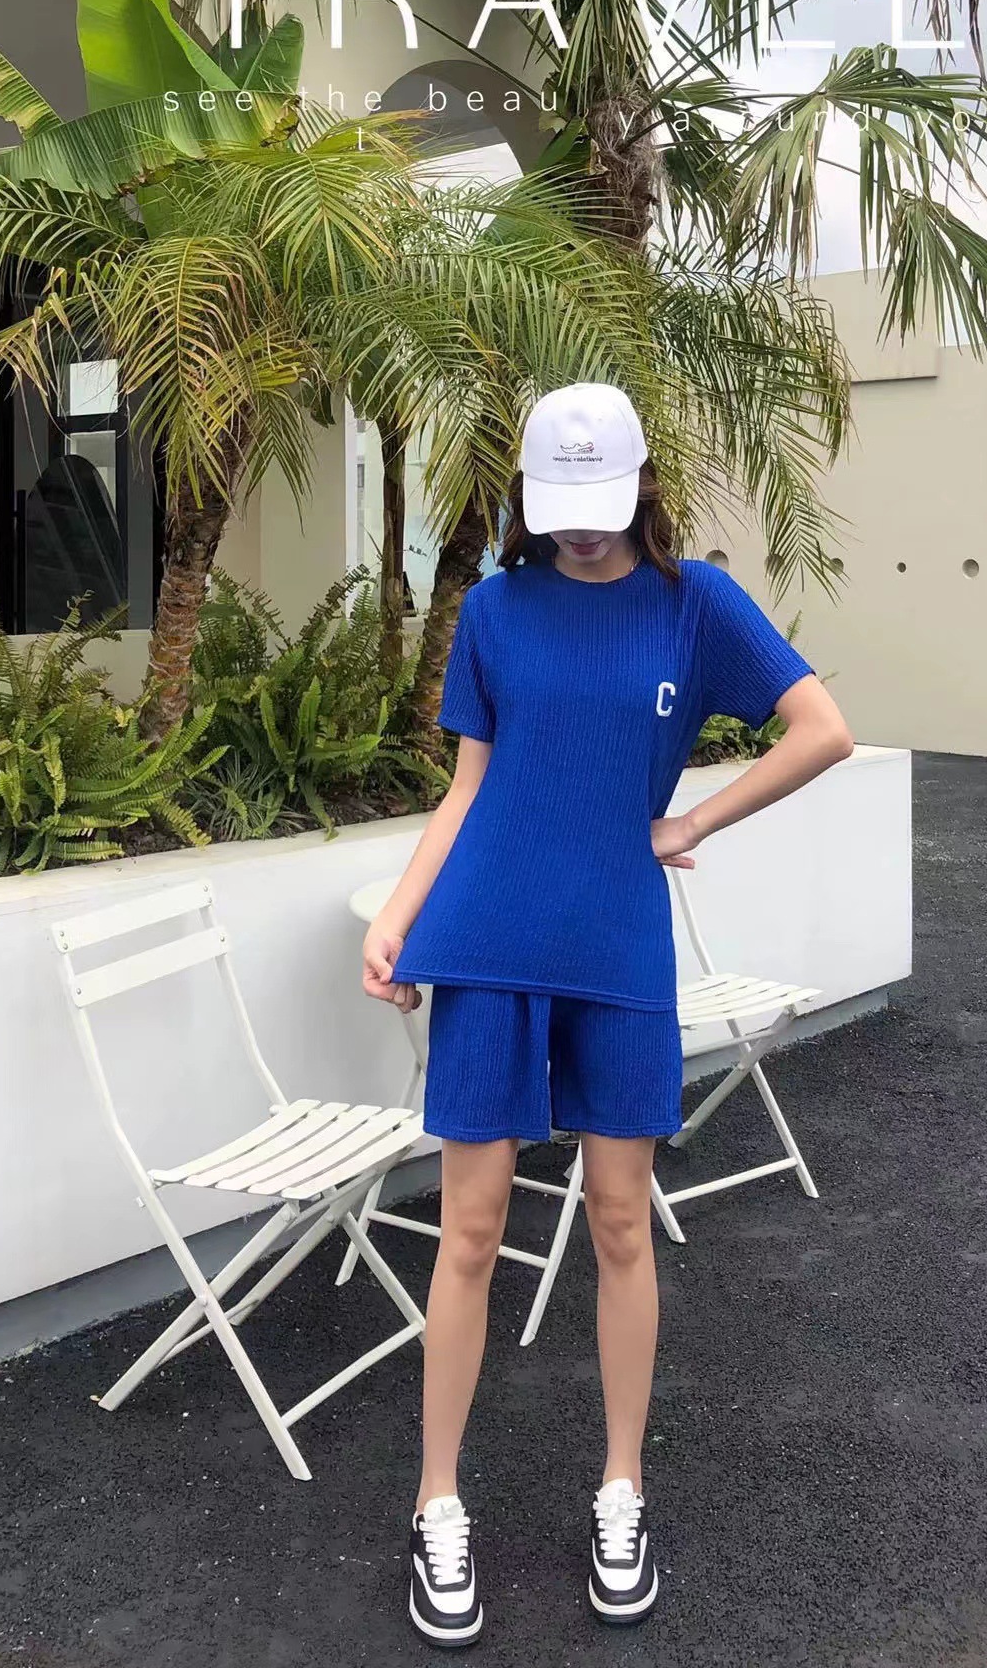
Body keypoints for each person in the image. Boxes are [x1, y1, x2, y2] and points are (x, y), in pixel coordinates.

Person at [362, 381, 854, 1649]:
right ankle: (436, 1503)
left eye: (598, 503)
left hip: (618, 950)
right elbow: (470, 787)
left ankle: (620, 1491)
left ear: (641, 485)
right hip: (486, 942)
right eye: (556, 507)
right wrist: (401, 913)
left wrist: (692, 819)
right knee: (469, 1233)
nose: (579, 529)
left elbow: (822, 730)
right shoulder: (493, 607)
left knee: (623, 1223)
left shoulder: (694, 605)